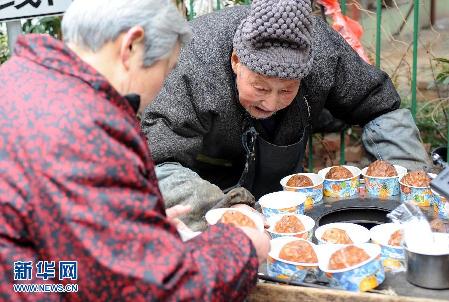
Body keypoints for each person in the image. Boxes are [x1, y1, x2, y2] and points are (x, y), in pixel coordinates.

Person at [0, 0, 270, 301]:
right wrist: (241, 247)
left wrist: (128, 223)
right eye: (165, 71)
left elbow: (59, 265)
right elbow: (153, 289)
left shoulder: (20, 76)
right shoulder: (85, 127)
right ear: (131, 47)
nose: (160, 89)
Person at [141, 0, 432, 222]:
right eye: (260, 87)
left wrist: (413, 191)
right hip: (204, 197)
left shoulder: (322, 51)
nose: (270, 103)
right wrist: (228, 212)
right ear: (235, 61)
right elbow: (158, 165)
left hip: (284, 205)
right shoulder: (193, 61)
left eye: (287, 90)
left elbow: (379, 107)